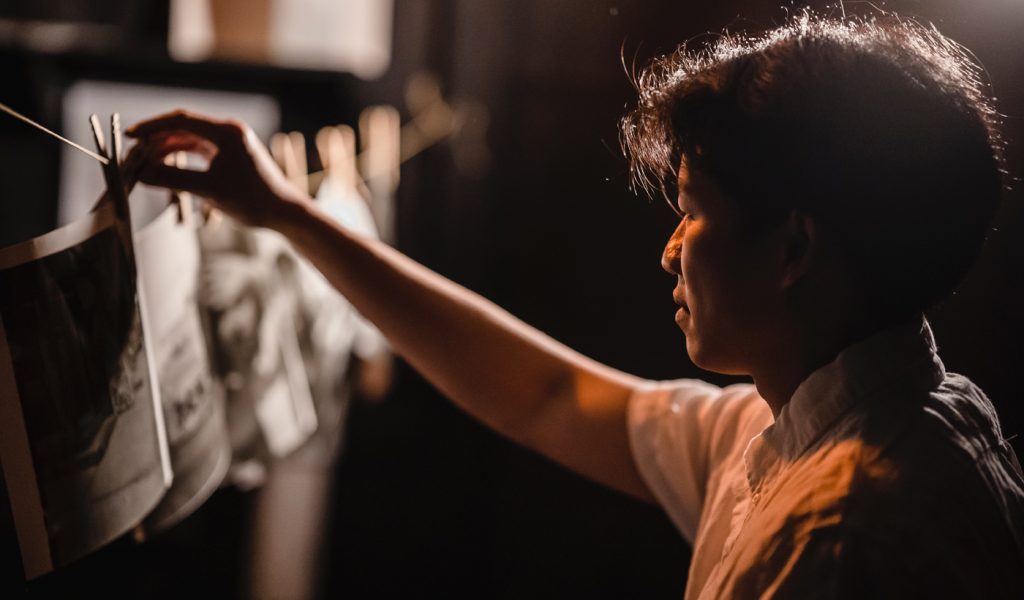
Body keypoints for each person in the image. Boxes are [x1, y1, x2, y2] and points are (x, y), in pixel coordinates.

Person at [126, 13, 1024, 599]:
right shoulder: (832, 421)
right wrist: (289, 213)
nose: (670, 248)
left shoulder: (836, 541)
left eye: (693, 212)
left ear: (792, 248)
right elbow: (545, 397)